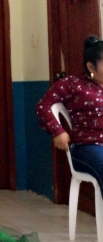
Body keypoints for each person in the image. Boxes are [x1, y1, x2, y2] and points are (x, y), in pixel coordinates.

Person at [35, 34, 103, 196]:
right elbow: (43, 105)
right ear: (91, 67)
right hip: (88, 146)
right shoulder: (73, 84)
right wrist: (58, 131)